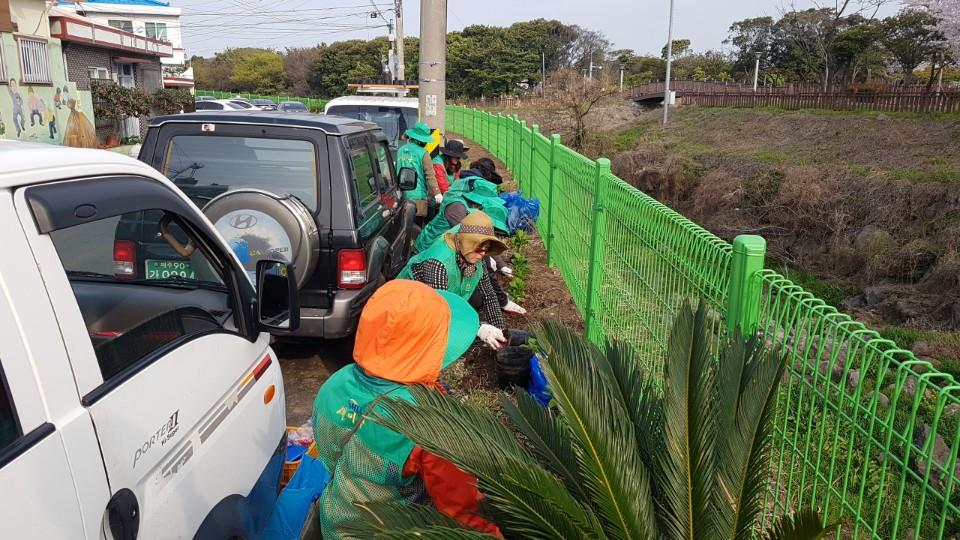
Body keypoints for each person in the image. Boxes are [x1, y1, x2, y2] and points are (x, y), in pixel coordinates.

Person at [312, 280, 502, 539]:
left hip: (335, 521)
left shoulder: (336, 383)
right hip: (393, 532)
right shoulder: (430, 423)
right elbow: (463, 513)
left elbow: (331, 456)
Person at [399, 211, 509, 350]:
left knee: (478, 297)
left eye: (486, 249)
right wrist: (478, 328)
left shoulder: (474, 255)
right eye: (479, 247)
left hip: (441, 297)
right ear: (467, 242)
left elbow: (489, 296)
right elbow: (439, 311)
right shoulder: (438, 263)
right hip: (410, 305)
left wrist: (499, 332)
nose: (482, 254)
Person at [395, 122, 443, 224]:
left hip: (402, 195)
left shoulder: (400, 150)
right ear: (419, 140)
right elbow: (430, 175)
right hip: (418, 197)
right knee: (416, 228)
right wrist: (437, 193)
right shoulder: (423, 154)